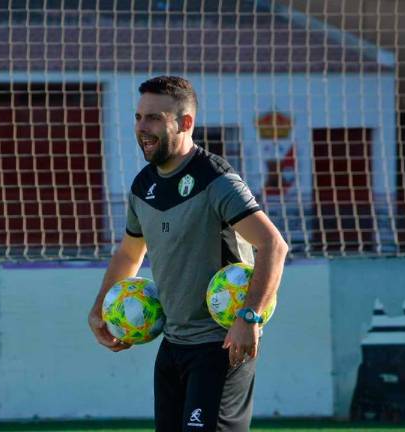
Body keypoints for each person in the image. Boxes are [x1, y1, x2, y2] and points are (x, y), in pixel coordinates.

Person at [87, 76, 288, 432]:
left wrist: (250, 318)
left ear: (185, 123)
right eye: (138, 117)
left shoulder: (216, 180)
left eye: (153, 118)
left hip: (222, 345)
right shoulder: (142, 186)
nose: (141, 128)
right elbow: (129, 253)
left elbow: (273, 245)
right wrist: (101, 307)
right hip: (173, 346)